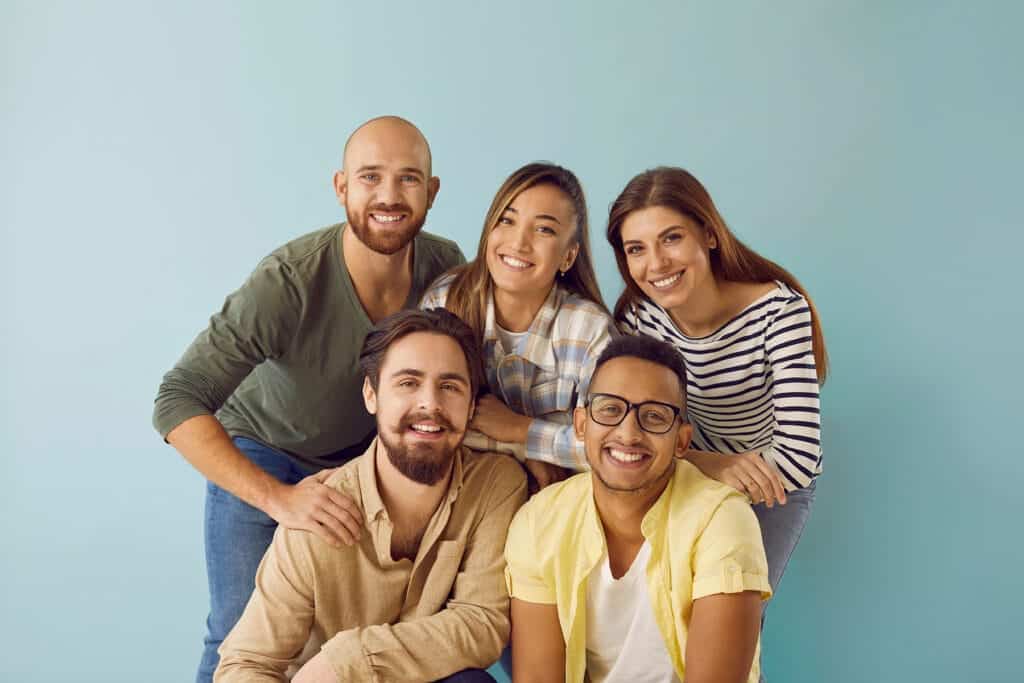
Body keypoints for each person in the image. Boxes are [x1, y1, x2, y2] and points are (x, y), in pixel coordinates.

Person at [152, 116, 465, 682]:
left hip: (364, 460)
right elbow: (176, 400)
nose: (389, 197)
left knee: (358, 635)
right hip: (264, 452)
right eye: (370, 177)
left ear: (432, 191)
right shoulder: (287, 282)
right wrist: (277, 499)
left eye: (408, 179)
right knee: (239, 633)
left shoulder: (446, 269)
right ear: (342, 187)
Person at [214, 308, 527, 682]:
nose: (430, 404)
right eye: (408, 383)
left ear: (472, 404)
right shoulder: (316, 516)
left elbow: (482, 622)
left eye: (449, 386)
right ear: (371, 395)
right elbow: (244, 665)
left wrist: (350, 661)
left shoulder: (494, 484)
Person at [605, 166, 828, 680]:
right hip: (689, 474)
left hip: (773, 488)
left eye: (671, 238)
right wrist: (706, 463)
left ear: (709, 233)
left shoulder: (779, 312)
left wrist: (713, 469)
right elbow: (628, 431)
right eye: (636, 249)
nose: (655, 263)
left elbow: (797, 458)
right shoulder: (641, 318)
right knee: (656, 626)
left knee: (728, 633)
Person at [505, 335, 770, 683]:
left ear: (681, 441)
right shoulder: (539, 522)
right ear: (582, 425)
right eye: (610, 409)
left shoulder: (723, 520)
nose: (629, 433)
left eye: (654, 416)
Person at [420, 162, 616, 490]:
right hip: (460, 481)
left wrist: (521, 430)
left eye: (544, 229)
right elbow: (423, 417)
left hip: (566, 493)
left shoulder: (590, 331)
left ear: (568, 256)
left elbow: (615, 445)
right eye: (507, 220)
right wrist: (524, 452)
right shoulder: (446, 299)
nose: (519, 242)